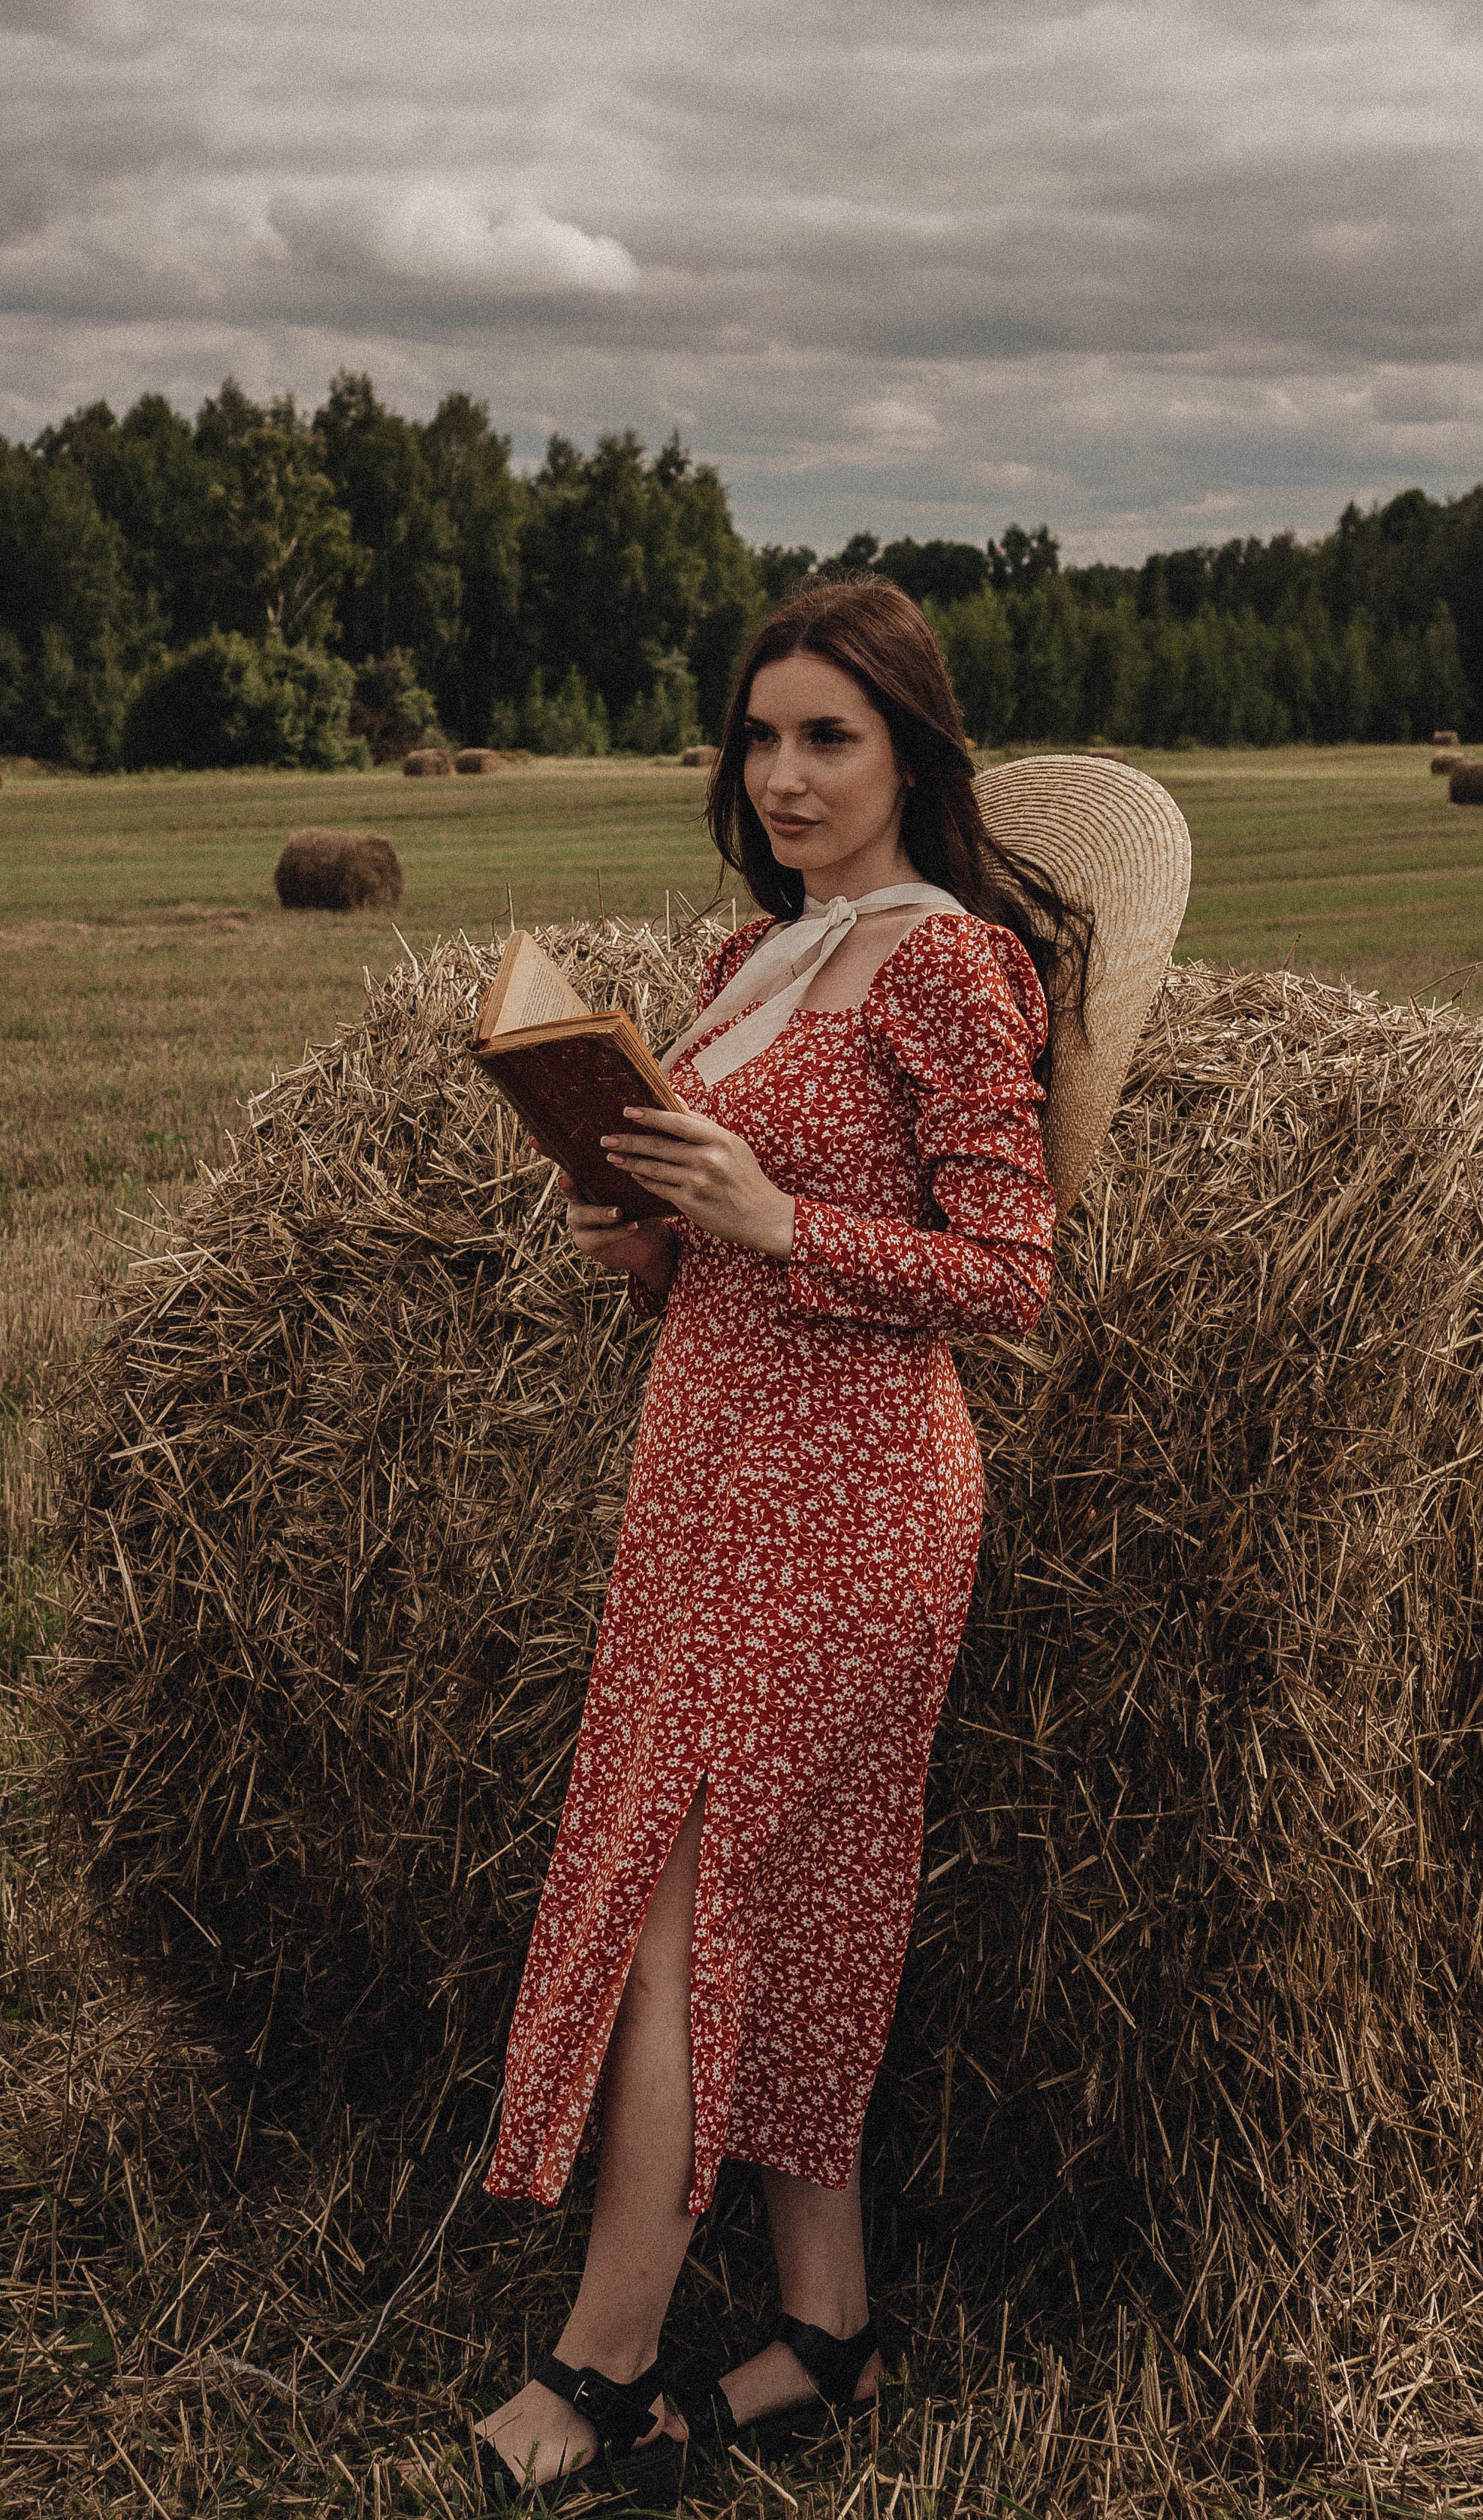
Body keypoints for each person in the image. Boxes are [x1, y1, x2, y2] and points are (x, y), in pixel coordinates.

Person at [472, 574, 1090, 2507]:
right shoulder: (756, 956)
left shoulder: (950, 968)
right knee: (795, 1897)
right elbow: (704, 1263)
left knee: (678, 1898)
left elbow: (1009, 1273)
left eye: (829, 734)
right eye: (761, 735)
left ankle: (600, 2369)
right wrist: (638, 1224)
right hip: (705, 1480)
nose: (788, 771)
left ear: (910, 748)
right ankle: (826, 2324)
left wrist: (770, 1223)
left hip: (854, 1497)